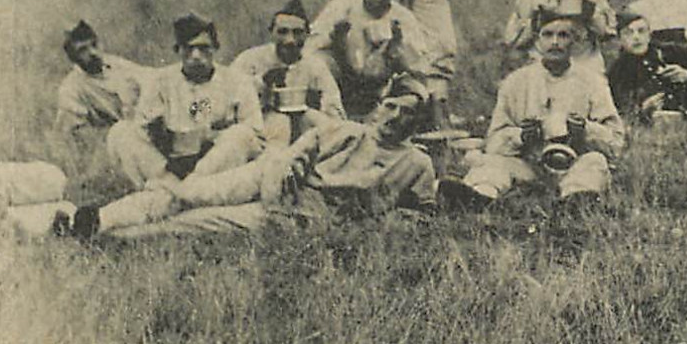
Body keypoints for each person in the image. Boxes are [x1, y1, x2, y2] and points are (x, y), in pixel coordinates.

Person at [61, 77, 438, 241]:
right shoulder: (346, 130)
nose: (394, 117)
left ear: (417, 123)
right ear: (379, 106)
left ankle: (113, 237)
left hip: (295, 214)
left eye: (406, 113)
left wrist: (379, 215)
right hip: (267, 177)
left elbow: (422, 214)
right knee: (186, 191)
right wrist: (292, 161)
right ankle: (99, 218)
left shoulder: (415, 163)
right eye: (391, 106)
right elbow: (302, 146)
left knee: (191, 224)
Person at [440, 0, 625, 210]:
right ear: (537, 41)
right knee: (491, 164)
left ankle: (574, 201)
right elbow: (493, 141)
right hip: (529, 166)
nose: (555, 42)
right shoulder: (516, 82)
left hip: (574, 164)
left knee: (595, 162)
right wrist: (521, 136)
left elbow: (615, 141)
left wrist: (585, 130)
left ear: (575, 40)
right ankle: (479, 197)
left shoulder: (592, 82)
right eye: (547, 35)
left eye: (563, 35)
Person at [105, 14, 265, 190]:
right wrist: (160, 142)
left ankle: (184, 190)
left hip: (217, 164)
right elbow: (143, 129)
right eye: (188, 49)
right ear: (177, 50)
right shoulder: (160, 82)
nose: (196, 56)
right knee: (121, 132)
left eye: (203, 48)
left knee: (240, 135)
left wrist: (214, 140)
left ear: (215, 48)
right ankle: (171, 188)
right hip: (170, 166)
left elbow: (254, 134)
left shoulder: (237, 81)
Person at [307, 0, 449, 119]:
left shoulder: (403, 18)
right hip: (342, 81)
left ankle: (385, 120)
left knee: (417, 90)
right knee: (319, 62)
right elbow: (310, 49)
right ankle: (334, 118)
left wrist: (398, 47)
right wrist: (335, 38)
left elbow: (420, 67)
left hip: (381, 87)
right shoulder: (342, 7)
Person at [229, 0, 345, 144]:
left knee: (322, 124)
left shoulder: (315, 66)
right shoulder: (250, 60)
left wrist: (316, 102)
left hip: (303, 129)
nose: (290, 40)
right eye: (282, 32)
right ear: (271, 33)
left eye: (297, 33)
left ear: (307, 35)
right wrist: (262, 83)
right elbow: (227, 99)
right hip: (262, 128)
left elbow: (335, 112)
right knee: (279, 124)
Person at [53, 20, 155, 142]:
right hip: (114, 141)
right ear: (72, 57)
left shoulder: (115, 64)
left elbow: (151, 77)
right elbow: (76, 135)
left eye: (94, 45)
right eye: (83, 50)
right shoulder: (71, 89)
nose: (92, 53)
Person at [608, 12, 687, 121]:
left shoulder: (670, 52)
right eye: (628, 33)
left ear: (649, 35)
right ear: (619, 39)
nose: (636, 37)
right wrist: (642, 109)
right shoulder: (617, 72)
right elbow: (619, 111)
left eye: (641, 31)